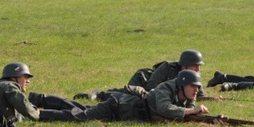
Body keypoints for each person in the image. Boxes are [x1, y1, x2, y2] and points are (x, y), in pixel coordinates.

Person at [39, 70, 209, 123]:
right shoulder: (165, 89)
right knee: (79, 117)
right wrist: (191, 111)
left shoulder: (186, 96)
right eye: (193, 87)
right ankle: (38, 114)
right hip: (116, 106)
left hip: (121, 112)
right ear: (182, 85)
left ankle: (40, 99)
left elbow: (184, 111)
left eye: (197, 87)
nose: (196, 91)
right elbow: (166, 108)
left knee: (80, 109)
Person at [74, 49, 207, 100]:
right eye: (195, 66)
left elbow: (200, 96)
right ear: (184, 65)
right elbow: (151, 85)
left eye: (199, 66)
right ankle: (97, 94)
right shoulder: (167, 67)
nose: (198, 69)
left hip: (157, 93)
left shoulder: (194, 77)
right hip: (143, 82)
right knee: (127, 96)